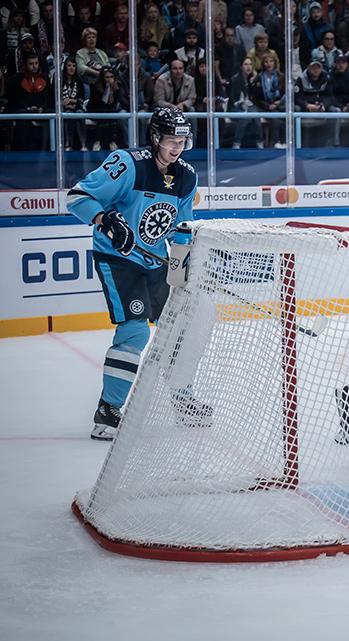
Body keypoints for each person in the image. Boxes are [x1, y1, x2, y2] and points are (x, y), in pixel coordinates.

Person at [65, 108, 201, 441]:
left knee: (178, 330)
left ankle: (182, 400)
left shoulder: (186, 176)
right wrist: (106, 220)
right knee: (135, 332)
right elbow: (78, 197)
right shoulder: (127, 164)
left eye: (182, 141)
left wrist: (187, 262)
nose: (177, 148)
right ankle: (108, 409)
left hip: (156, 262)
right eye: (171, 141)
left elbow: (180, 228)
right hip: (118, 260)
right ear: (155, 138)